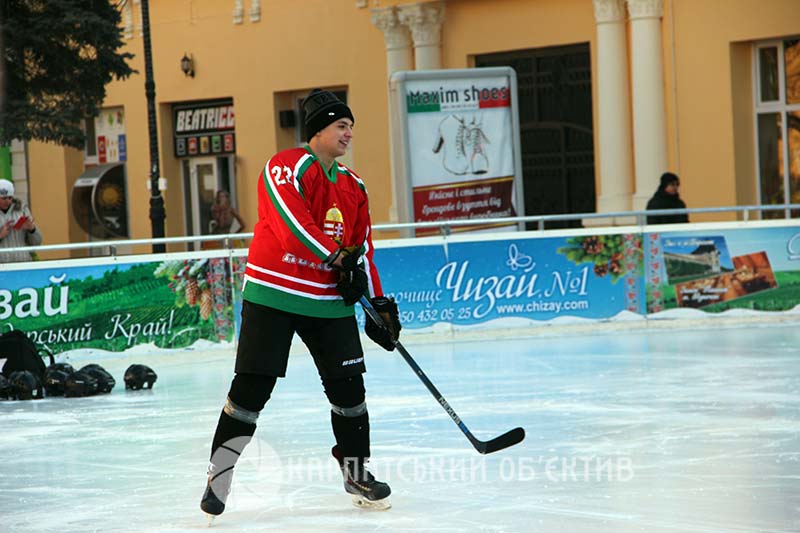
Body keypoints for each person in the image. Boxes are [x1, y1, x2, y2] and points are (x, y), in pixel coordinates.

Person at [200, 89, 401, 518]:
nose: (349, 134)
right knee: (250, 392)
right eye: (340, 126)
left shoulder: (354, 186)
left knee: (351, 394)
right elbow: (294, 225)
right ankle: (219, 476)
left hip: (327, 302)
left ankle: (356, 470)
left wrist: (377, 300)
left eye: (350, 127)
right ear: (318, 130)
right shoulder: (285, 166)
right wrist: (336, 257)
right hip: (275, 294)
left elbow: (362, 247)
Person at [0, 179, 42, 262]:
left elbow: (36, 243)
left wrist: (32, 230)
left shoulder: (22, 210)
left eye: (10, 198)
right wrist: (0, 235)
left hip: (23, 263)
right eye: (3, 198)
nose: (7, 201)